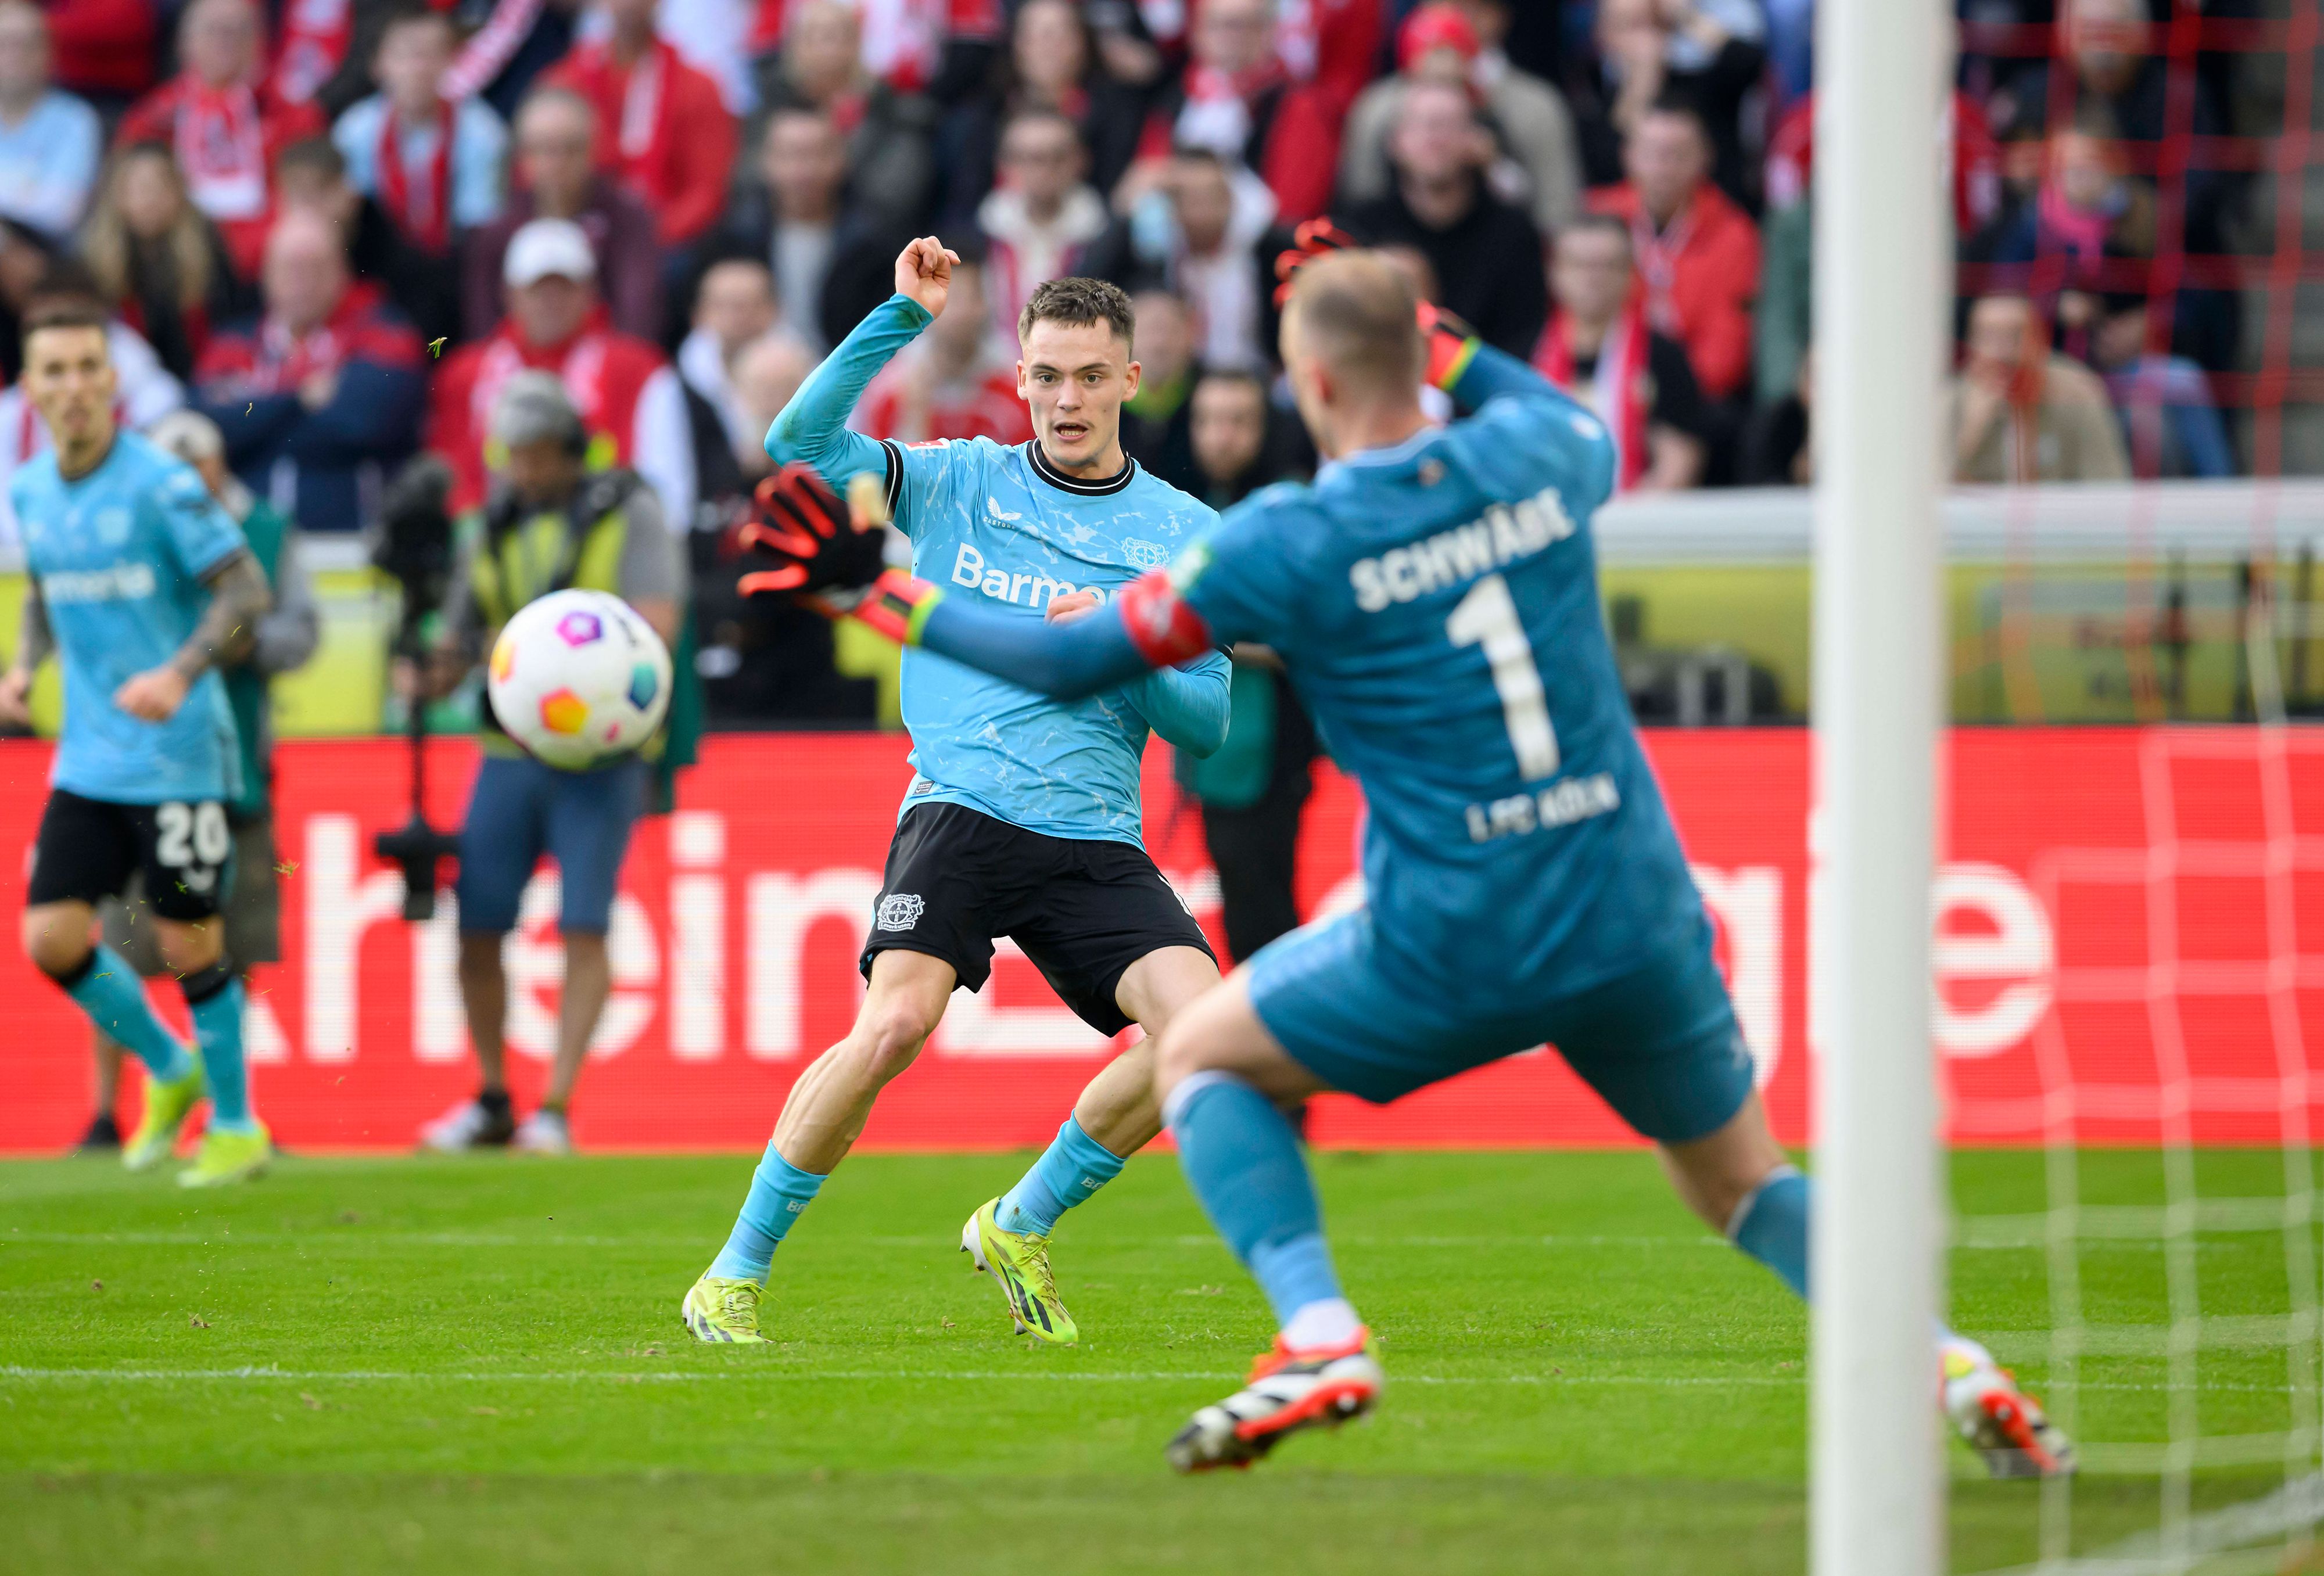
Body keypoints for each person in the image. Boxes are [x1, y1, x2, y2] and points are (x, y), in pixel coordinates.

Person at [744, 243, 2081, 1481]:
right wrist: (1418, 321)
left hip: (1454, 917)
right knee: (1746, 1180)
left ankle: (1320, 1331)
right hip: (1632, 899)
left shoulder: (1283, 540)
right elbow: (1513, 392)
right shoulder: (1546, 448)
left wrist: (871, 587)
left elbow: (1065, 656)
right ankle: (1946, 1359)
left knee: (1205, 1051)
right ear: (1420, 351)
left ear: (1309, 382)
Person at [680, 247, 1231, 1349]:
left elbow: (1206, 722)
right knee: (893, 1025)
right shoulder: (958, 478)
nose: (1065, 399)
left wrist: (1119, 649)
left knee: (1205, 1034)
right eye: (1046, 376)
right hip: (962, 811)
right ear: (1020, 379)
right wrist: (899, 316)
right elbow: (798, 446)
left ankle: (1020, 1221)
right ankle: (732, 1273)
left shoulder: (1183, 531)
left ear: (1131, 380)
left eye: (1088, 376)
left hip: (1093, 836)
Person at [0, 295, 274, 1186]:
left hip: (179, 753)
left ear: (114, 380)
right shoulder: (30, 487)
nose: (75, 387)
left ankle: (235, 1126)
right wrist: (22, 666)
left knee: (187, 940)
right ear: (30, 387)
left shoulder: (163, 481)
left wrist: (177, 674)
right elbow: (46, 588)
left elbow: (246, 593)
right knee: (48, 938)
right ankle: (169, 1065)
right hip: (89, 758)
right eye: (57, 371)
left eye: (90, 367)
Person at [418, 372, 682, 1156]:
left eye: (539, 457)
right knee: (477, 923)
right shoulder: (489, 526)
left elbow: (658, 625)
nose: (526, 473)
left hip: (602, 754)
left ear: (571, 450)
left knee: (584, 923)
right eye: (514, 459)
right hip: (508, 748)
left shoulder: (630, 510)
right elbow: (456, 637)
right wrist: (427, 669)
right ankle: (494, 1096)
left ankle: (556, 1106)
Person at [78, 407, 317, 1151]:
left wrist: (233, 645)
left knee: (231, 951)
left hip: (231, 767)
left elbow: (300, 633)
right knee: (120, 947)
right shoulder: (129, 527)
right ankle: (104, 1112)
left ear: (217, 470)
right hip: (136, 764)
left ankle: (228, 1110)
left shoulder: (268, 532)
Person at [431, 216, 694, 525]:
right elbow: (451, 482)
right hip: (496, 546)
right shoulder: (464, 375)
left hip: (604, 541)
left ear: (590, 292)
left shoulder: (640, 370)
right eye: (537, 289)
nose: (550, 302)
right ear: (510, 294)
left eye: (564, 288)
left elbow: (667, 490)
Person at [192, 209, 427, 536]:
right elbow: (210, 430)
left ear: (342, 273)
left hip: (352, 540)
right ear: (266, 275)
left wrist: (258, 419)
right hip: (251, 543)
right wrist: (300, 399)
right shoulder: (232, 343)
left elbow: (364, 422)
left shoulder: (385, 332)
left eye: (316, 267)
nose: (303, 281)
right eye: (291, 268)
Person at [113, 0, 327, 277]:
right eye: (214, 30)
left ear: (259, 42)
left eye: (238, 31)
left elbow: (306, 194)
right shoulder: (152, 119)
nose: (226, 41)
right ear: (184, 42)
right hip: (173, 261)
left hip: (264, 262)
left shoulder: (295, 117)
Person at [1341, 78, 1546, 360]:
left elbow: (1524, 339)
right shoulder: (1359, 229)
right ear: (1394, 142)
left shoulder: (1513, 234)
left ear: (1477, 140)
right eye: (1421, 124)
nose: (1434, 138)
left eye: (1449, 125)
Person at [1339, 2, 1581, 239]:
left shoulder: (1528, 107)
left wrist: (1494, 167)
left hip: (1499, 243)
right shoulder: (1379, 109)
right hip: (1398, 240)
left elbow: (1555, 211)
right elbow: (1362, 195)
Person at [1587, 100, 1758, 405]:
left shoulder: (1734, 235)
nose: (1663, 168)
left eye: (1677, 155)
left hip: (1692, 401)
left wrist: (1667, 397)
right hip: (1603, 388)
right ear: (1628, 156)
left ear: (1705, 158)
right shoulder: (1596, 220)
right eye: (1651, 153)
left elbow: (1726, 348)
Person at [463, 88, 662, 341]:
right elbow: (483, 325)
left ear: (593, 150)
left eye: (571, 148)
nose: (557, 163)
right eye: (545, 149)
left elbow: (637, 314)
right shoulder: (496, 231)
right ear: (522, 156)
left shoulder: (628, 220)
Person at [700, 106, 901, 355]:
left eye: (817, 155)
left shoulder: (874, 244)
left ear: (843, 159)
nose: (803, 171)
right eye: (790, 155)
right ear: (765, 161)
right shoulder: (735, 239)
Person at [1533, 214, 1710, 494]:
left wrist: (1628, 521)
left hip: (1636, 524)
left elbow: (1679, 460)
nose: (1593, 278)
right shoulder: (1527, 354)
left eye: (1607, 266)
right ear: (1554, 273)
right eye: (1580, 265)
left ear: (1631, 274)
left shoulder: (1663, 356)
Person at [544, 0, 736, 249]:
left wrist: (645, 241)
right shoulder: (566, 83)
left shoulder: (699, 89)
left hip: (665, 244)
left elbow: (706, 192)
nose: (629, 4)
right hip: (572, 243)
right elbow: (534, 177)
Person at [1132, 0, 1337, 224]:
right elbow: (1146, 176)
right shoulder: (1176, 98)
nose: (1227, 36)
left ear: (1269, 31)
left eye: (1240, 25)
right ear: (1196, 32)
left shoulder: (1296, 104)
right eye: (1216, 25)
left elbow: (1294, 210)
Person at [331, 5, 511, 261]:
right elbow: (353, 219)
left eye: (430, 55)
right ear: (378, 64)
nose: (418, 69)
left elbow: (479, 228)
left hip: (455, 266)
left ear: (452, 61)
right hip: (376, 264)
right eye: (405, 55)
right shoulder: (353, 132)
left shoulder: (483, 133)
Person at [77, 142, 248, 383]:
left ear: (179, 192)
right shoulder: (96, 261)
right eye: (140, 189)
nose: (150, 199)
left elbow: (230, 324)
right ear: (118, 197)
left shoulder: (208, 247)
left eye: (161, 188)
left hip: (201, 379)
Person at [853, 252, 1032, 446]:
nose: (962, 312)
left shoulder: (1017, 389)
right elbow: (877, 470)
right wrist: (915, 415)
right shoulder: (888, 394)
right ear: (925, 305)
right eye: (952, 299)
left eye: (973, 297)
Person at [1952, 292, 2131, 485]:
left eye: (2015, 336)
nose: (2002, 353)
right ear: (1970, 347)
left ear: (2040, 341)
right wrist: (1969, 434)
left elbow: (2109, 485)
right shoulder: (1952, 400)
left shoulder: (2078, 392)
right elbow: (1927, 496)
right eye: (1989, 337)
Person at [974, 109, 1106, 346]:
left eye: (1058, 157)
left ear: (1081, 161)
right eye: (1032, 158)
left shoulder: (1106, 237)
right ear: (1005, 164)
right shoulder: (981, 235)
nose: (1045, 170)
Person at [0, 1, 99, 240]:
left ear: (49, 53)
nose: (15, 56)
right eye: (5, 44)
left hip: (47, 259)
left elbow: (60, 213)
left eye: (27, 45)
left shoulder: (76, 120)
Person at [677, 257, 789, 458]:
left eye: (749, 304)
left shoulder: (805, 371)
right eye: (723, 306)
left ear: (774, 309)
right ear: (698, 314)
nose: (737, 317)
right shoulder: (674, 388)